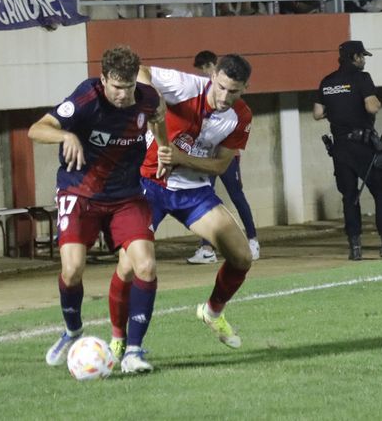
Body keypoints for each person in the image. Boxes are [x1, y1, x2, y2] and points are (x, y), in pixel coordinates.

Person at [27, 45, 161, 375]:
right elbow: (36, 129)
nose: (123, 94)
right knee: (72, 270)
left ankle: (133, 351)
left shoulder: (147, 98)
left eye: (128, 87)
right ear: (103, 80)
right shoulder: (86, 98)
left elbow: (159, 117)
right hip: (80, 192)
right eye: (116, 87)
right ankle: (73, 331)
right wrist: (65, 136)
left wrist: (166, 148)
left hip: (126, 195)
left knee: (145, 264)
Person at [117, 54, 255, 354]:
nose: (225, 96)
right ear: (213, 76)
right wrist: (153, 99)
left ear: (244, 88)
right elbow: (140, 69)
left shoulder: (241, 117)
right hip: (148, 185)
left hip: (193, 192)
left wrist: (181, 159)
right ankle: (119, 339)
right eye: (220, 87)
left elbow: (219, 166)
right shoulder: (184, 86)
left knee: (242, 257)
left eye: (234, 91)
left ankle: (213, 311)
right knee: (129, 267)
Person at [316, 40, 382, 259]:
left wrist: (339, 109)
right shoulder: (361, 78)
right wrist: (370, 103)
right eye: (362, 56)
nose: (364, 60)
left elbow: (318, 113)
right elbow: (371, 106)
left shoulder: (327, 81)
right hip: (362, 146)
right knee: (381, 193)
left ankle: (355, 249)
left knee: (349, 197)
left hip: (339, 148)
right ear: (355, 57)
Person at [184, 51, 261, 265]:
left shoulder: (232, 98)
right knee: (204, 197)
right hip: (205, 157)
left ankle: (252, 240)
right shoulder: (202, 94)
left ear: (213, 66)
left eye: (204, 69)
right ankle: (206, 247)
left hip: (226, 158)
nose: (203, 75)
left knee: (237, 196)